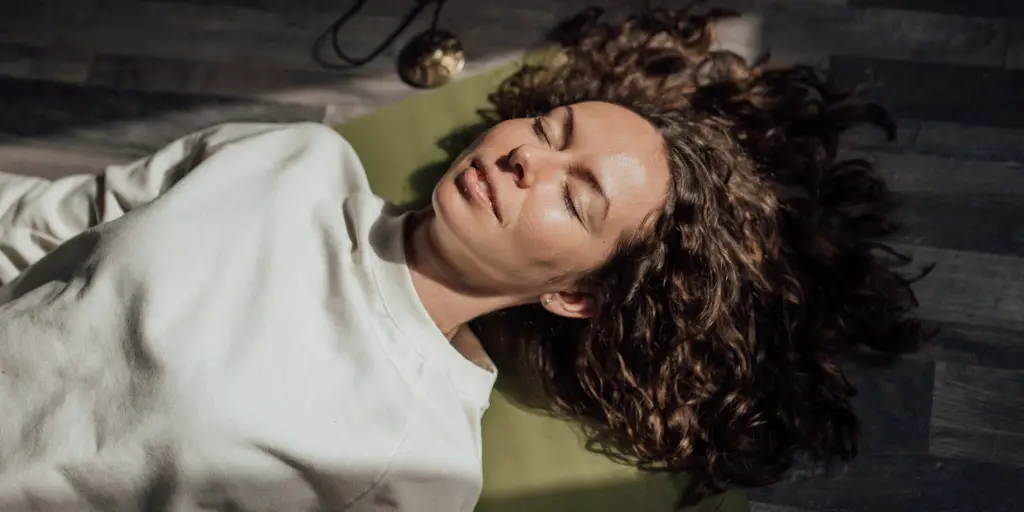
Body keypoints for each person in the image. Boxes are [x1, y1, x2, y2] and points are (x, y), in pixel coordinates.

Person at [0, 5, 928, 511]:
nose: (529, 157)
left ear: (576, 295)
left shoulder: (418, 457)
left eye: (574, 194)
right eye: (550, 129)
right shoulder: (292, 160)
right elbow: (47, 220)